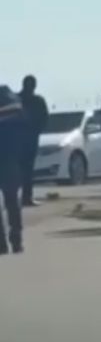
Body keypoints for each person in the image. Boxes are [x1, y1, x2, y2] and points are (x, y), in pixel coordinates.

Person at [0, 85, 27, 254]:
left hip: (8, 159)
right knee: (12, 202)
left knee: (10, 202)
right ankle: (16, 240)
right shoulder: (18, 110)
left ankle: (2, 244)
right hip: (11, 160)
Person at [18, 75, 48, 207]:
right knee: (27, 170)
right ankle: (26, 197)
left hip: (20, 139)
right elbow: (44, 118)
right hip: (27, 139)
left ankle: (23, 197)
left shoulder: (16, 99)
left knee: (23, 170)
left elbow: (44, 118)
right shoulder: (36, 101)